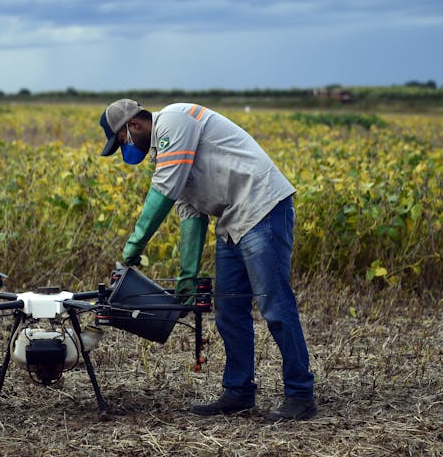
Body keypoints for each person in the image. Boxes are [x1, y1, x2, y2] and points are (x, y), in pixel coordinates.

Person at [99, 99, 316, 421]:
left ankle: (300, 395)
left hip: (261, 206)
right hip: (232, 219)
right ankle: (239, 392)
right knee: (230, 310)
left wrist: (135, 243)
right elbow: (191, 214)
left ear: (132, 126)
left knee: (274, 306)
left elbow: (164, 190)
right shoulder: (165, 153)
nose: (125, 150)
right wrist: (188, 275)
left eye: (120, 143)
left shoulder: (174, 121)